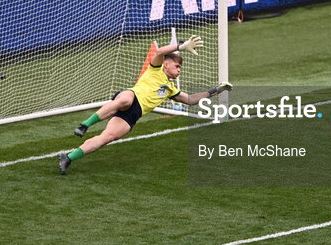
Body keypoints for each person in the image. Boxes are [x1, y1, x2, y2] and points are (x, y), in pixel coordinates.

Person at [58, 35, 231, 174]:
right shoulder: (155, 68)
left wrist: (216, 90)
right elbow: (160, 51)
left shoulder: (171, 89)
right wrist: (181, 46)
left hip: (133, 115)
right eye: (177, 66)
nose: (179, 70)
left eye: (180, 68)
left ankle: (68, 157)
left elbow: (190, 100)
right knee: (125, 100)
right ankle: (84, 125)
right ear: (166, 64)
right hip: (130, 96)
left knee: (107, 138)